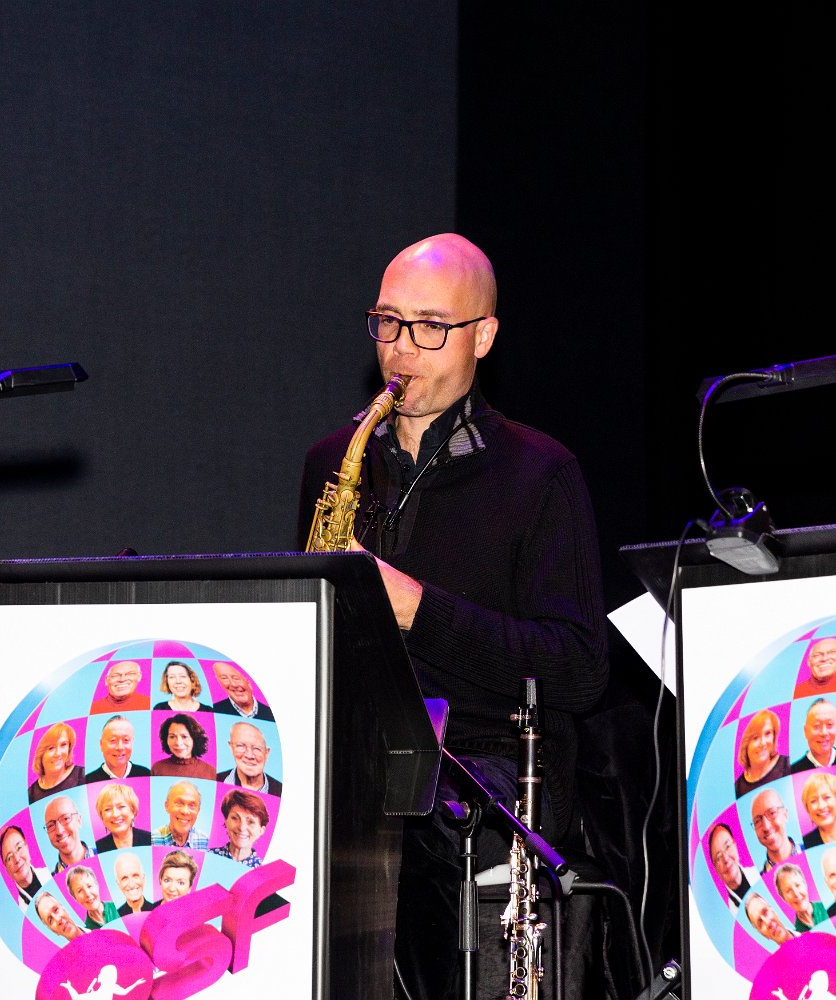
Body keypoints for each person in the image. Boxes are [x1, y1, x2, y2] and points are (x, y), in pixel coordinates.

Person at [297, 234, 609, 1000]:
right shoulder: (333, 461)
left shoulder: (541, 474)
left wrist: (416, 610)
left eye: (430, 327)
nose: (401, 350)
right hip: (359, 781)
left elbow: (577, 665)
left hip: (483, 778)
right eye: (387, 323)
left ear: (484, 336)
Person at [216, 721, 282, 795]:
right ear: (231, 747)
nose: (249, 755)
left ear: (266, 753)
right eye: (241, 746)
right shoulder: (216, 780)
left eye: (257, 748)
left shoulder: (280, 790)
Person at [737, 709, 792, 797]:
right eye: (755, 737)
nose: (763, 743)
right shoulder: (738, 788)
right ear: (746, 744)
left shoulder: (789, 766)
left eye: (768, 733)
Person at [209, 789, 268, 867]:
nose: (241, 827)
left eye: (250, 822)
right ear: (226, 821)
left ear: (261, 830)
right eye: (235, 818)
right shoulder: (208, 857)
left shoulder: (263, 871)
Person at [29, 722, 85, 803]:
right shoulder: (31, 794)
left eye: (63, 745)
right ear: (41, 754)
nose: (58, 753)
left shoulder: (83, 776)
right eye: (51, 748)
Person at [708, 822, 759, 910]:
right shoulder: (729, 914)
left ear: (735, 846)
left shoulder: (760, 874)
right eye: (718, 857)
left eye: (727, 846)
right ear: (716, 869)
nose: (726, 859)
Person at [84, 716, 150, 782]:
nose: (120, 747)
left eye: (126, 740)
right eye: (113, 740)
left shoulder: (146, 775)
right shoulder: (87, 782)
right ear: (101, 744)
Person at [0, 824, 50, 909]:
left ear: (27, 847)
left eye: (19, 848)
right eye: (9, 857)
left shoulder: (51, 874)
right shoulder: (20, 912)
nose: (17, 859)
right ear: (6, 870)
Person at [150, 714, 216, 780]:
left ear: (194, 739)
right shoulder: (157, 769)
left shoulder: (210, 772)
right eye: (172, 737)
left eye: (184, 737)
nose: (178, 743)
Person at [753, 788, 803, 872]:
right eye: (758, 821)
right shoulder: (761, 880)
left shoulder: (813, 851)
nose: (766, 827)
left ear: (785, 815)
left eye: (772, 813)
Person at [44, 795, 96, 874]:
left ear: (79, 820)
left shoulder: (105, 856)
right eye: (51, 825)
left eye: (65, 819)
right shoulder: (52, 881)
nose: (59, 831)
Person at [207, 661, 274, 721]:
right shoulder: (214, 712)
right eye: (224, 679)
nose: (233, 684)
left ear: (249, 683)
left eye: (236, 678)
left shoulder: (270, 714)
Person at [93, 783, 150, 852]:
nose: (115, 814)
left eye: (121, 807)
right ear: (102, 816)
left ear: (133, 811)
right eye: (108, 809)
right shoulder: (97, 849)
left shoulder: (150, 840)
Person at [152, 781, 207, 849]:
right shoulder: (152, 840)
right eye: (179, 803)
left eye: (191, 805)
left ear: (198, 810)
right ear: (167, 806)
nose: (185, 811)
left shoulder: (206, 843)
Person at [775, 862, 828, 932]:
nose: (796, 893)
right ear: (784, 898)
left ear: (805, 885)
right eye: (788, 891)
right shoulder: (798, 934)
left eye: (797, 885)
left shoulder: (827, 908)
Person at [67, 865, 120, 929]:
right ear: (75, 898)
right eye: (80, 891)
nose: (87, 894)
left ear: (97, 886)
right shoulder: (88, 932)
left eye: (89, 886)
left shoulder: (119, 908)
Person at [794, 699, 836, 773]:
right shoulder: (794, 772)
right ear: (805, 731)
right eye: (817, 726)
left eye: (829, 725)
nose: (824, 733)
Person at [802, 772, 836, 848]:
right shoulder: (805, 843)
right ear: (807, 808)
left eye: (827, 797)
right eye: (813, 801)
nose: (821, 806)